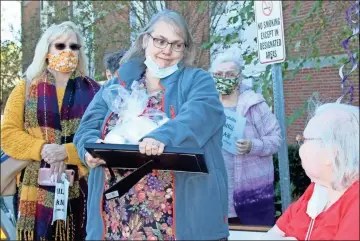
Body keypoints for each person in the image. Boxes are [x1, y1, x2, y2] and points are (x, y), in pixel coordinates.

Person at [74, 9, 229, 240]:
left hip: (177, 225)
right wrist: (88, 149)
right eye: (160, 41)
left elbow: (201, 114)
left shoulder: (197, 81)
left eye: (177, 45)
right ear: (146, 40)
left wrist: (162, 136)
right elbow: (87, 126)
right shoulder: (117, 84)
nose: (167, 50)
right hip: (117, 222)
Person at [1, 21, 100, 240]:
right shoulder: (26, 87)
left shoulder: (95, 90)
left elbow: (104, 135)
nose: (68, 51)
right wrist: (44, 149)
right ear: (46, 51)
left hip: (84, 188)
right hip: (33, 190)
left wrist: (66, 152)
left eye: (74, 47)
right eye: (60, 46)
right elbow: (8, 134)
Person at [263, 101, 359, 240]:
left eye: (304, 140)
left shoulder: (355, 203)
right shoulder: (317, 189)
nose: (300, 147)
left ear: (332, 154)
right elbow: (273, 234)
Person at [210, 53, 282, 226]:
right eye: (219, 75)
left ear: (239, 77)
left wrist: (252, 146)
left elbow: (277, 139)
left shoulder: (254, 104)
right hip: (215, 194)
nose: (224, 78)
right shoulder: (208, 104)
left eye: (230, 74)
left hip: (251, 195)